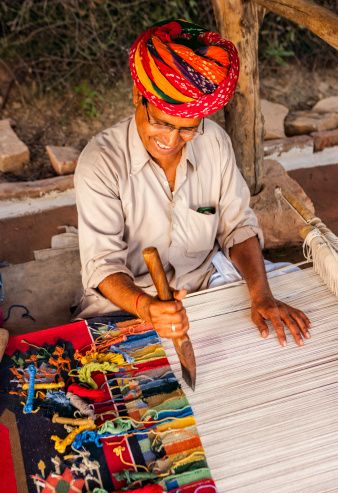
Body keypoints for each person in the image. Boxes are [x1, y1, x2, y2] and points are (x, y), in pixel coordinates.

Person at [74, 19, 310, 347]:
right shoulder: (101, 162)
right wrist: (148, 308)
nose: (171, 140)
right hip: (129, 301)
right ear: (136, 96)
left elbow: (237, 227)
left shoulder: (213, 142)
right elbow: (102, 264)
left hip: (207, 283)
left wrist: (261, 296)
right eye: (160, 123)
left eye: (187, 129)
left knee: (296, 301)